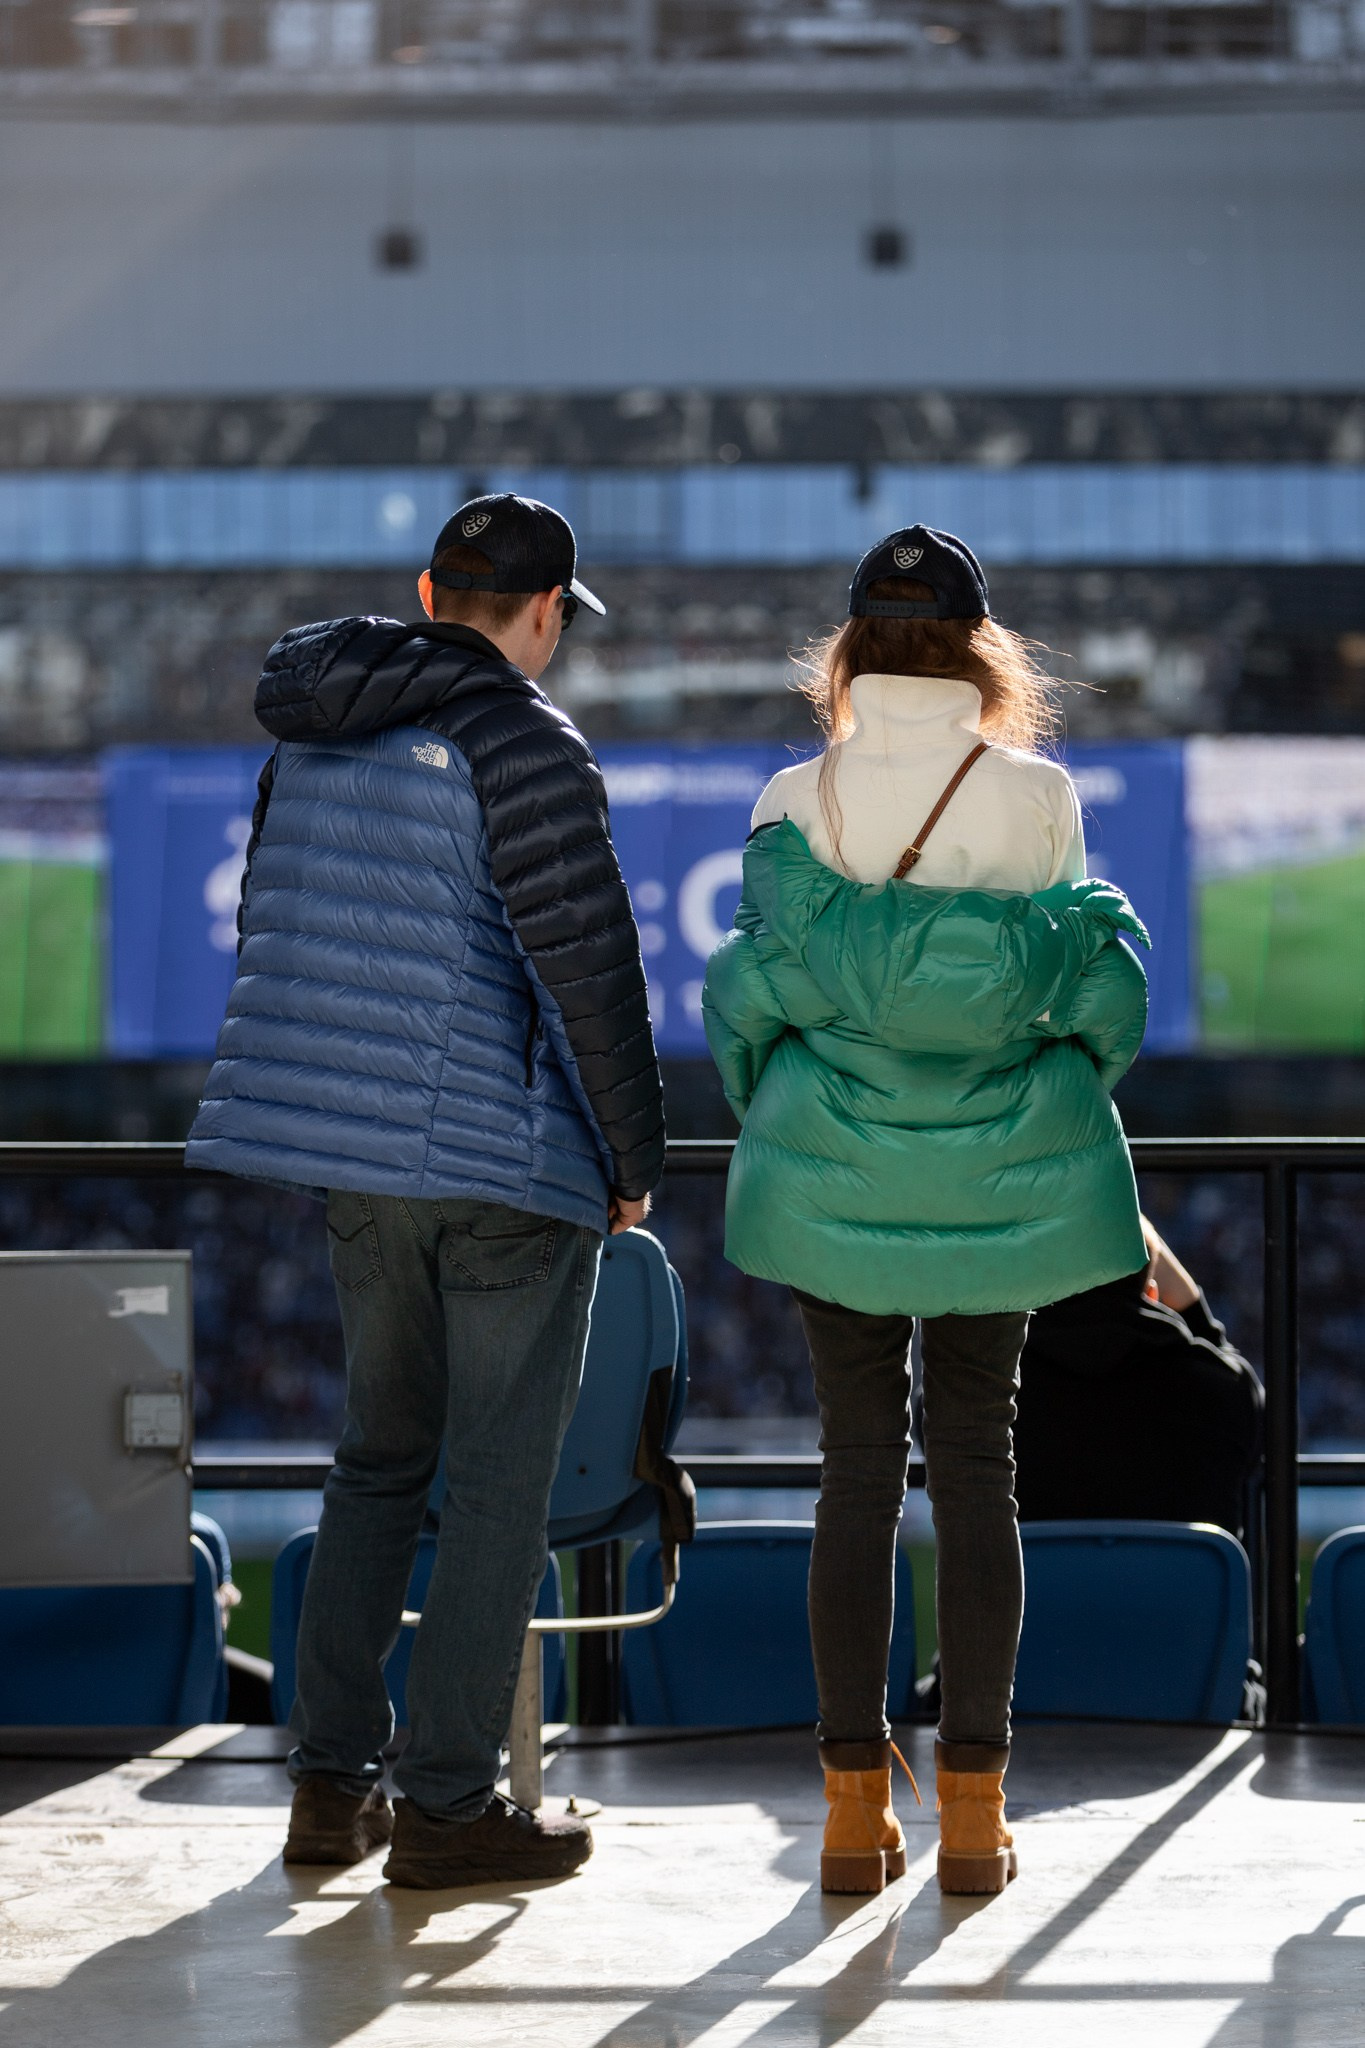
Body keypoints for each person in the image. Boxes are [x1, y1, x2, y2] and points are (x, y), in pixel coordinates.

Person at [186, 494, 665, 1888]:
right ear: (543, 613)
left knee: (375, 1463)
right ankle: (449, 1805)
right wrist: (633, 1160)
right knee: (498, 1487)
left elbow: (269, 927)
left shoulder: (313, 734)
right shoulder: (524, 740)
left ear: (426, 588)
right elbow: (590, 974)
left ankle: (330, 1794)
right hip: (505, 1173)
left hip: (356, 1163)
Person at [702, 525, 1149, 1898]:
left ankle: (848, 1813)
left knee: (853, 1471)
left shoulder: (794, 798)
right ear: (978, 652)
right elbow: (1088, 999)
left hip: (835, 1171)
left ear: (849, 651)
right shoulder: (1033, 799)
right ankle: (972, 1811)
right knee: (977, 1470)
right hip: (998, 1177)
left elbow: (749, 1009)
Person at [1014, 1216, 1263, 1538]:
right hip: (1177, 1590)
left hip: (1038, 1591)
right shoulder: (1223, 1388)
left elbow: (935, 1412)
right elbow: (1238, 1385)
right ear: (1153, 1293)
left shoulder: (990, 1391)